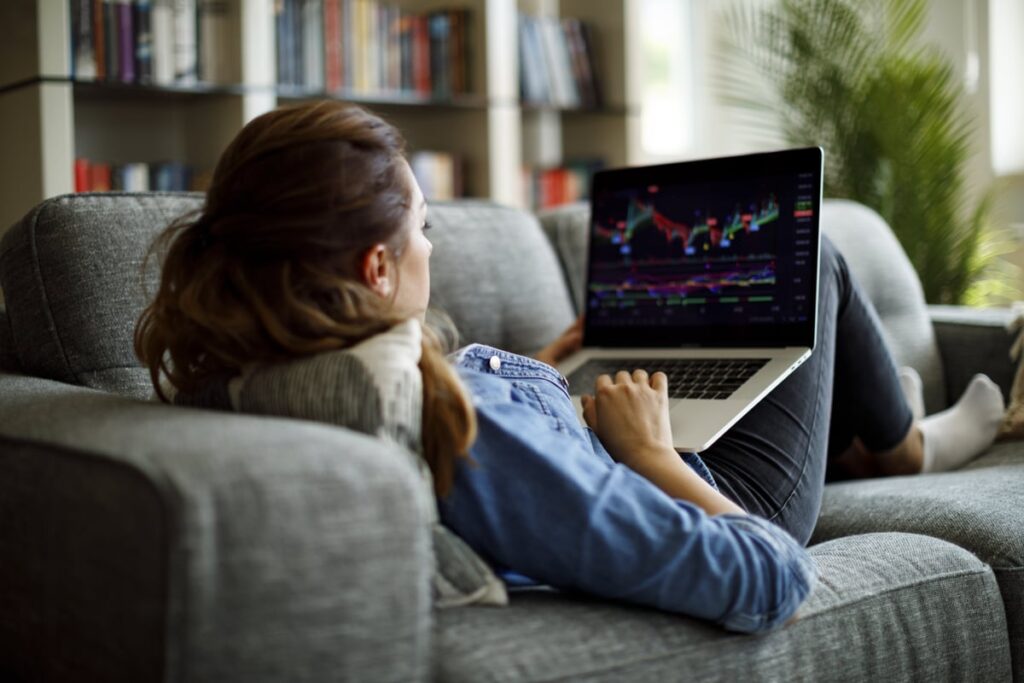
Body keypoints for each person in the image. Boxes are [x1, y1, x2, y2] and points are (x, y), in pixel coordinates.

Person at [134, 100, 1005, 634]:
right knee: (815, 261)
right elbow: (769, 571)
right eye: (424, 230)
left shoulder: (246, 375)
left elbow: (481, 422)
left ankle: (860, 440)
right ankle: (900, 451)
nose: (431, 245)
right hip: (710, 480)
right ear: (374, 268)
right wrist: (651, 455)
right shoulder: (469, 436)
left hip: (603, 423)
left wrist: (542, 373)